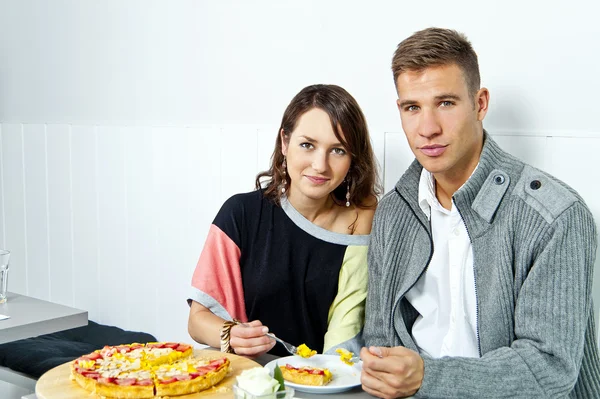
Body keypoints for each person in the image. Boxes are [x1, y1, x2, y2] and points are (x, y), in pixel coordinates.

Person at [361, 27, 600, 398]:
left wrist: (428, 378)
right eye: (413, 107)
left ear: (480, 103)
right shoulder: (394, 211)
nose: (427, 129)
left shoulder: (555, 216)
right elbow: (380, 340)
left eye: (445, 103)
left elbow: (548, 368)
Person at [188, 84, 381, 358]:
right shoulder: (240, 213)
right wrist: (230, 333)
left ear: (353, 158)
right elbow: (197, 320)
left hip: (322, 381)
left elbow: (346, 328)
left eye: (338, 150)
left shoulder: (364, 221)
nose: (320, 165)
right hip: (250, 379)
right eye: (307, 145)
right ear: (285, 142)